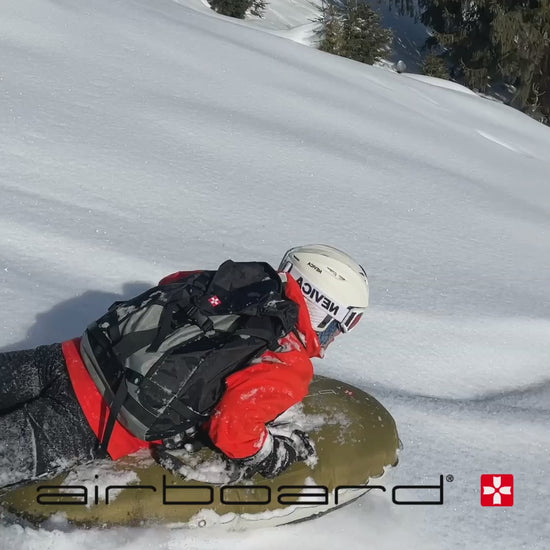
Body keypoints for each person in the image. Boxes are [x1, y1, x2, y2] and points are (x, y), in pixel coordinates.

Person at [0, 245, 369, 490]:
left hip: (66, 357)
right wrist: (273, 454)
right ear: (327, 313)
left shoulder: (239, 283)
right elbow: (233, 430)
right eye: (343, 324)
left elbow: (170, 285)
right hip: (90, 422)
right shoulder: (288, 362)